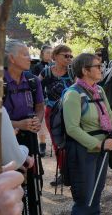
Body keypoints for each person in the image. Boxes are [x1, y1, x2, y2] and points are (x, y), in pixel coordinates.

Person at [63, 53, 112, 214]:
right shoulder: (73, 95)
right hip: (84, 152)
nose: (101, 68)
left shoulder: (99, 90)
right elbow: (72, 128)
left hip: (102, 150)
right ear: (85, 70)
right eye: (97, 66)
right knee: (84, 197)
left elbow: (109, 114)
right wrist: (98, 144)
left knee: (96, 193)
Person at [3, 39, 45, 215]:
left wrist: (36, 121)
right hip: (4, 142)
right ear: (11, 58)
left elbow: (40, 108)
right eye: (25, 54)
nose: (30, 58)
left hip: (30, 138)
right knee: (10, 187)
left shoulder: (33, 80)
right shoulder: (0, 82)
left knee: (34, 183)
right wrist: (17, 124)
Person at [39, 44, 74, 186]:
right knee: (57, 142)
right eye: (66, 55)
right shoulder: (46, 72)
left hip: (71, 111)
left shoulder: (73, 72)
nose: (69, 59)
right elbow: (34, 86)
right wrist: (42, 102)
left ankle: (72, 171)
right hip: (52, 112)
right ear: (55, 56)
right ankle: (64, 172)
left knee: (72, 140)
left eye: (71, 56)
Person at [31, 44, 53, 157]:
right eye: (47, 53)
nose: (50, 55)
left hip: (54, 99)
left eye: (51, 53)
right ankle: (43, 144)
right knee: (43, 122)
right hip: (42, 98)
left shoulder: (55, 66)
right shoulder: (37, 67)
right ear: (42, 54)